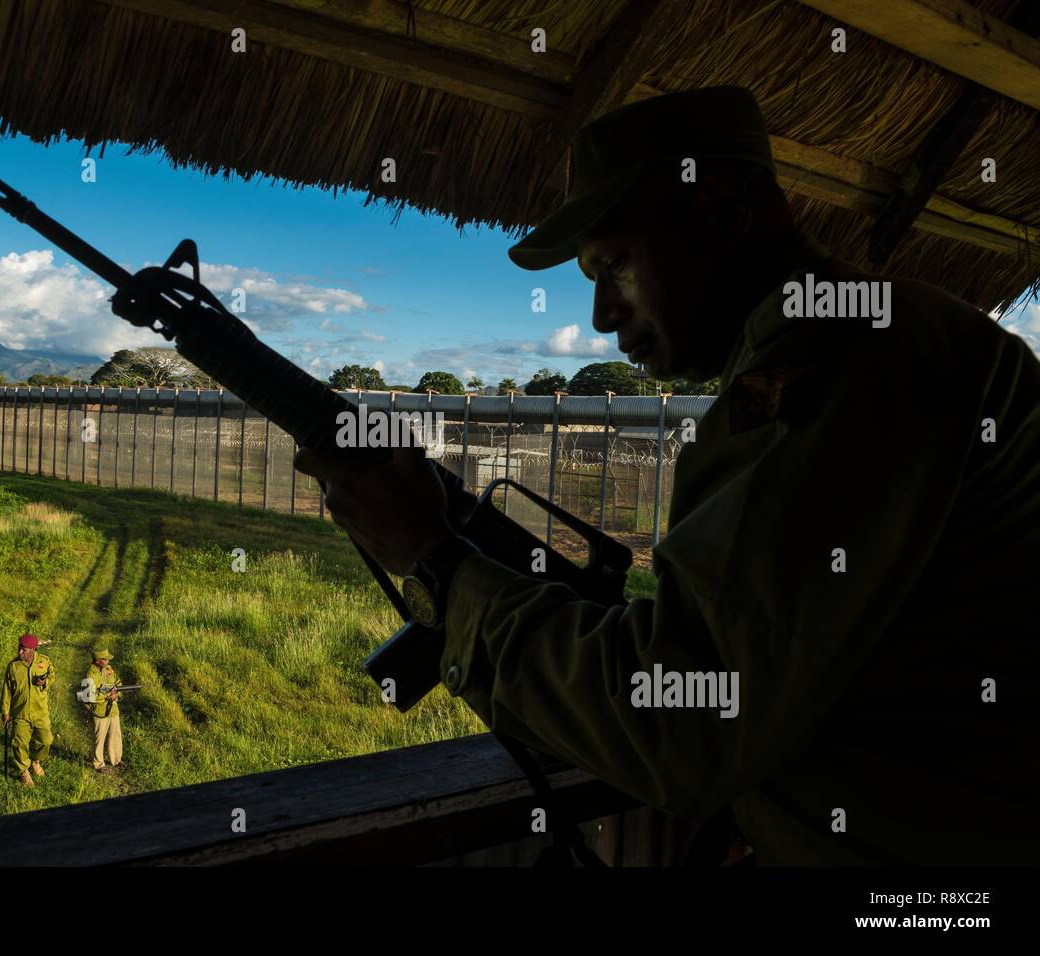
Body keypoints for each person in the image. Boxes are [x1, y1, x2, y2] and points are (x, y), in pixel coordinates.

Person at [294, 86, 1040, 864]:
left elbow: (687, 717)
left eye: (612, 264)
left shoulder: (840, 355)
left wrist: (432, 558)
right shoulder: (871, 332)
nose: (599, 317)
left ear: (717, 208)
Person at [1, 633, 55, 787]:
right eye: (19, 648)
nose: (19, 652)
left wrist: (45, 682)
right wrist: (5, 712)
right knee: (19, 744)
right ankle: (24, 771)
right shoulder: (13, 666)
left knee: (46, 740)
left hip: (40, 712)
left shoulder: (43, 661)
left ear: (33, 649)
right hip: (20, 712)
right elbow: (7, 690)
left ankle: (35, 761)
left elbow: (52, 675)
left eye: (23, 650)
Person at [83, 648, 125, 773]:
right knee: (99, 738)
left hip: (113, 709)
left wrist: (117, 694)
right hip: (100, 711)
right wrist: (107, 696)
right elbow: (88, 696)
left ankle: (116, 759)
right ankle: (98, 763)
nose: (108, 661)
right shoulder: (90, 675)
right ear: (97, 661)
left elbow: (118, 684)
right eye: (105, 659)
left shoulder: (109, 670)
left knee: (115, 734)